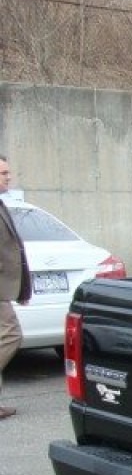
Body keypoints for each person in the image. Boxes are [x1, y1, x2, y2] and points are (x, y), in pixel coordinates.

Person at [0, 154, 31, 420]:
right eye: (3, 173)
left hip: (5, 288)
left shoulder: (1, 204)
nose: (8, 177)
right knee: (11, 335)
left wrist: (22, 290)